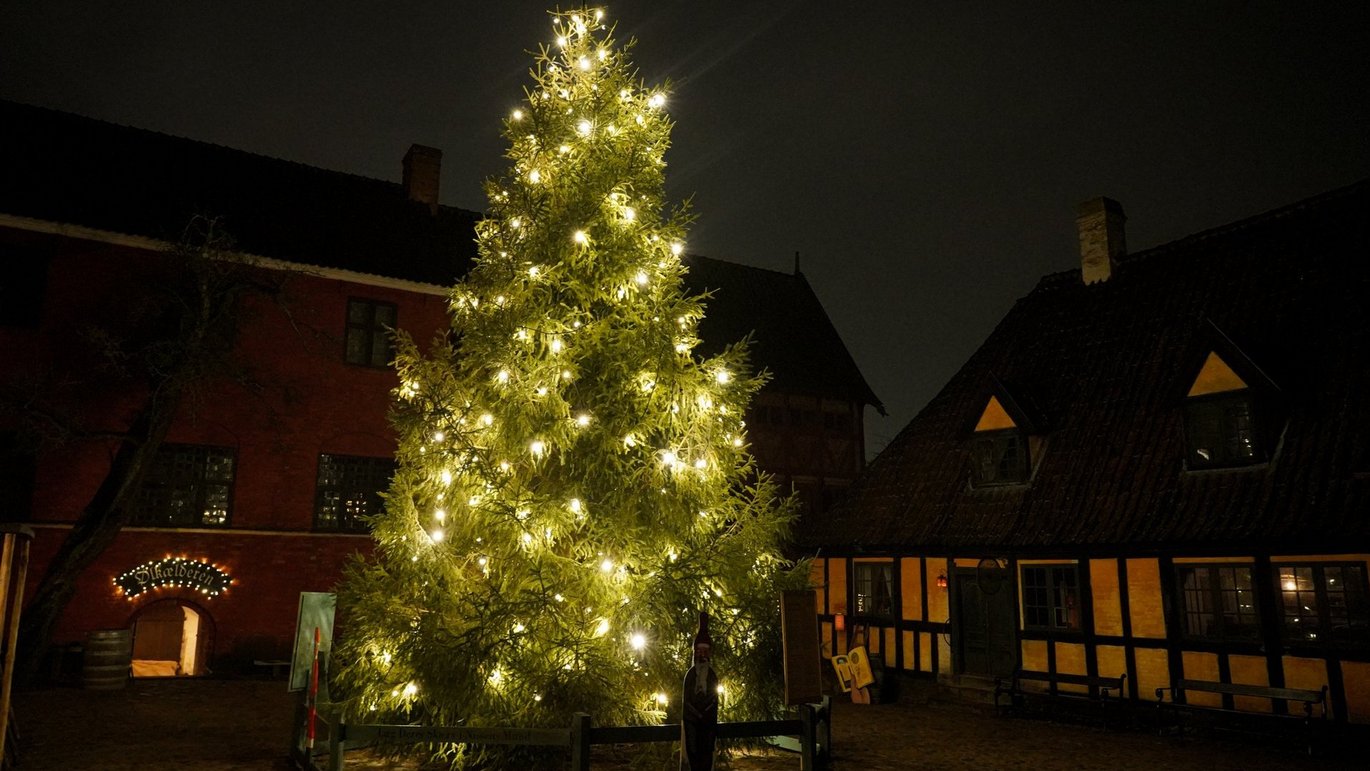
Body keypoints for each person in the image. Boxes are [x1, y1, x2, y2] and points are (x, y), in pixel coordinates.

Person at [680, 611, 718, 770]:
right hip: (692, 723)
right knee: (693, 753)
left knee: (706, 753)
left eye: (705, 651)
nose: (702, 654)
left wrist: (705, 713)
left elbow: (714, 699)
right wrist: (696, 714)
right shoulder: (690, 675)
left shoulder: (712, 675)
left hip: (707, 723)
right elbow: (686, 701)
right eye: (699, 651)